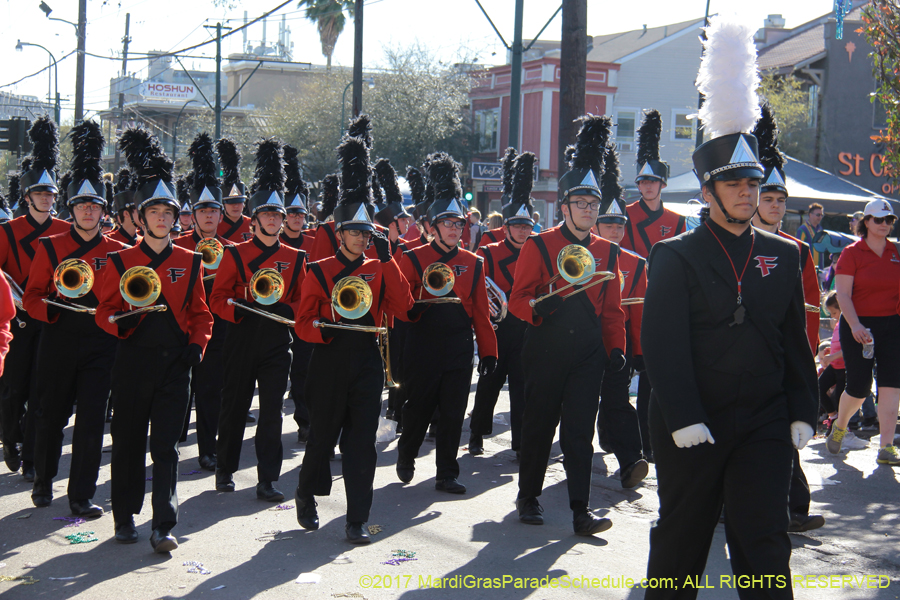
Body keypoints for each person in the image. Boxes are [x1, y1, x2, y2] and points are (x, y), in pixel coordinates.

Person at [642, 18, 817, 598]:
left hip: (764, 421)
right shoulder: (674, 256)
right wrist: (684, 414)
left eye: (754, 183)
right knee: (681, 540)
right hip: (693, 422)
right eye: (736, 184)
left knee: (765, 539)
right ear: (710, 191)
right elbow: (662, 347)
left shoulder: (786, 255)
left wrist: (802, 407)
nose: (749, 192)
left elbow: (794, 337)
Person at [97, 126, 213, 552]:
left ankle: (163, 524)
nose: (163, 220)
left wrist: (196, 347)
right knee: (127, 443)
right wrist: (121, 323)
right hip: (132, 360)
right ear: (140, 217)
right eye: (155, 213)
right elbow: (103, 311)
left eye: (169, 213)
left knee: (167, 447)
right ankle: (124, 517)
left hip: (175, 364)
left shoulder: (191, 259)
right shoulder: (120, 259)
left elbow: (201, 313)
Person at [509, 115, 626, 535]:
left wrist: (617, 349)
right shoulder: (540, 244)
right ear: (564, 206)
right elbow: (516, 300)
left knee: (579, 432)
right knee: (539, 427)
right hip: (545, 345)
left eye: (594, 205)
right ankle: (529, 497)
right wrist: (542, 306)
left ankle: (581, 511)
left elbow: (613, 311)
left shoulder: (609, 252)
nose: (589, 211)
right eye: (581, 204)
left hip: (587, 352)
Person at [294, 135, 413, 543]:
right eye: (356, 233)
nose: (362, 239)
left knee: (362, 444)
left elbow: (403, 307)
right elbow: (302, 323)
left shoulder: (380, 266)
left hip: (366, 360)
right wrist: (324, 327)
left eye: (367, 233)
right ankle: (306, 492)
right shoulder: (320, 269)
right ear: (340, 232)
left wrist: (389, 259)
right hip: (328, 360)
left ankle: (356, 518)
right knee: (323, 437)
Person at [23, 120, 128, 515]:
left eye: (95, 205)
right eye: (82, 205)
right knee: (51, 413)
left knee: (92, 420)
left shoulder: (120, 250)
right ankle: (43, 479)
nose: (88, 210)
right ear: (72, 209)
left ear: (103, 211)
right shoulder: (51, 246)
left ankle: (81, 494)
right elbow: (31, 298)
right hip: (59, 336)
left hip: (102, 341)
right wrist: (50, 309)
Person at [395, 152, 497, 494]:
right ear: (433, 226)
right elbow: (398, 302)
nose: (454, 230)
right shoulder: (412, 257)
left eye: (459, 225)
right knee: (419, 407)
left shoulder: (474, 262)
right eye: (448, 224)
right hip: (422, 342)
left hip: (457, 345)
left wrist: (488, 352)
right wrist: (414, 306)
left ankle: (446, 473)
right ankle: (407, 454)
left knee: (454, 412)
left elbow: (481, 312)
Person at [210, 138, 306, 500]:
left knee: (271, 413)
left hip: (276, 342)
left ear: (283, 220)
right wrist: (240, 304)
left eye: (277, 215)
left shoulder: (295, 258)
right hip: (240, 336)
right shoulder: (234, 254)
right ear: (255, 219)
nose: (272, 219)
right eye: (266, 214)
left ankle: (268, 479)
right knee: (233, 407)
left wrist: (289, 312)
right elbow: (217, 298)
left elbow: (300, 300)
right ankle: (225, 469)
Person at [750, 103, 825, 533]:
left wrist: (806, 356)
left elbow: (812, 308)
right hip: (745, 358)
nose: (776, 206)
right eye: (768, 198)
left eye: (781, 199)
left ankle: (794, 507)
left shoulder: (800, 251)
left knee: (784, 433)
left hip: (786, 358)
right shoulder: (736, 244)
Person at [0, 117, 70, 479]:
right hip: (19, 321)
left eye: (51, 194)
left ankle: (32, 456)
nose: (46, 199)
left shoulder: (67, 231)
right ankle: (10, 438)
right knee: (14, 389)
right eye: (39, 194)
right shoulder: (8, 232)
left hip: (55, 319)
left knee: (46, 392)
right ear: (27, 198)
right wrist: (20, 300)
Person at [623, 109, 687, 463]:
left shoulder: (677, 221)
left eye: (653, 181)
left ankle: (647, 441)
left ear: (662, 184)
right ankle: (616, 433)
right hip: (624, 300)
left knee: (650, 376)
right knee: (618, 373)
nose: (647, 186)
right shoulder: (622, 213)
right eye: (643, 181)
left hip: (658, 303)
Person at [173, 132, 233, 472]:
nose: (209, 216)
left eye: (214, 210)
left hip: (216, 328)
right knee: (177, 390)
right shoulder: (177, 246)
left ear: (220, 215)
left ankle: (208, 449)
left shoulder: (232, 249)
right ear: (192, 214)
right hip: (179, 327)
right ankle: (173, 438)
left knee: (211, 391)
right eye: (202, 211)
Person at [469, 151, 535, 458]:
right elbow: (481, 288)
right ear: (506, 227)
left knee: (523, 389)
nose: (522, 231)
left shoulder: (537, 251)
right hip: (498, 328)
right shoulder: (491, 251)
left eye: (527, 226)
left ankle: (521, 443)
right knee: (489, 385)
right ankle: (476, 435)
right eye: (517, 226)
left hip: (526, 329)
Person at [591, 142, 649, 489]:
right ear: (596, 225)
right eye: (607, 224)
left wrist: (638, 352)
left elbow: (638, 311)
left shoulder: (636, 263)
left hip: (618, 344)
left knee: (617, 400)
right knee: (579, 403)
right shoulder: (578, 255)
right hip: (580, 341)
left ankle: (631, 460)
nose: (614, 231)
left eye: (619, 226)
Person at [825, 199, 900, 465]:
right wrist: (856, 325)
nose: (884, 224)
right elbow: (843, 294)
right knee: (859, 388)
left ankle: (887, 447)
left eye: (889, 220)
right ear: (865, 223)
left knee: (892, 387)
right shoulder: (852, 253)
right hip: (858, 324)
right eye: (878, 219)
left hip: (892, 325)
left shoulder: (896, 252)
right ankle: (840, 426)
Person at [216, 137, 253, 244]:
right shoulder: (215, 225)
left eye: (239, 202)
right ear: (224, 204)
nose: (235, 206)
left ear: (244, 204)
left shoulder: (255, 224)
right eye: (231, 203)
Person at [108, 168, 141, 246]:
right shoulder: (108, 241)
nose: (144, 212)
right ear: (126, 213)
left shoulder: (146, 242)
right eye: (139, 209)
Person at [796, 202, 825, 269]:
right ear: (810, 215)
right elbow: (798, 249)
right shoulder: (803, 229)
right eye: (818, 215)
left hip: (819, 269)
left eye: (821, 215)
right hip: (806, 268)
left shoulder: (820, 229)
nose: (820, 217)